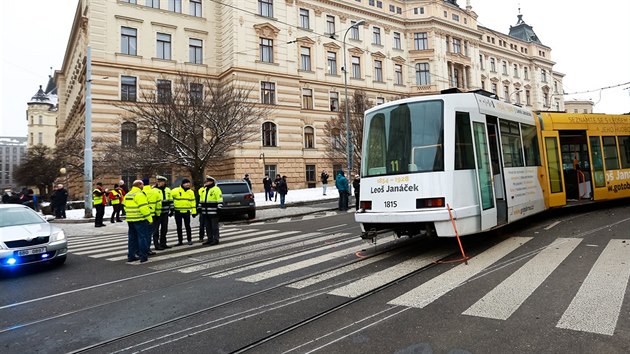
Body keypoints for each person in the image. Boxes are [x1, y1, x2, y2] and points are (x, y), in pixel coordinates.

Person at [124, 179, 153, 263]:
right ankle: (143, 256)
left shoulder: (128, 194)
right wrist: (149, 219)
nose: (143, 186)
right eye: (142, 185)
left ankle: (131, 256)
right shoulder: (140, 194)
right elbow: (144, 208)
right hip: (140, 219)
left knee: (132, 238)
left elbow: (125, 206)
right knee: (142, 237)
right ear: (139, 185)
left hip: (130, 219)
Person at [198, 176, 223, 246]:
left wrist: (219, 208)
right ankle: (210, 239)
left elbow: (220, 199)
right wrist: (199, 207)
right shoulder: (204, 190)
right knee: (208, 227)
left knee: (214, 227)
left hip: (213, 212)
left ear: (212, 182)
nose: (206, 182)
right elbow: (201, 200)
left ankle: (216, 239)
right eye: (206, 181)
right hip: (205, 212)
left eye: (208, 181)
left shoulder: (216, 189)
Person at [171, 178, 197, 246]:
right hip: (178, 211)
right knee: (179, 227)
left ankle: (189, 240)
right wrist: (171, 209)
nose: (188, 184)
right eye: (186, 183)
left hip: (186, 212)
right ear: (182, 184)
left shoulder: (191, 192)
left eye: (189, 183)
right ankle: (180, 241)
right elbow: (170, 197)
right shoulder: (175, 190)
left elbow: (193, 202)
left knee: (187, 226)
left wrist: (194, 212)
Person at [153, 175, 173, 250]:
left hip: (165, 212)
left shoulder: (168, 190)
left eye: (161, 181)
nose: (160, 183)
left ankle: (163, 243)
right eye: (159, 181)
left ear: (164, 182)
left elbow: (170, 200)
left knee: (164, 229)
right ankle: (156, 244)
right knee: (156, 230)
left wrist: (172, 209)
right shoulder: (154, 190)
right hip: (157, 213)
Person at [142, 177, 159, 255]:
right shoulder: (154, 192)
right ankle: (148, 249)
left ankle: (140, 250)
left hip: (141, 216)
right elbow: (158, 204)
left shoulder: (140, 192)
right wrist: (158, 213)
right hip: (152, 215)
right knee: (149, 234)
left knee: (142, 234)